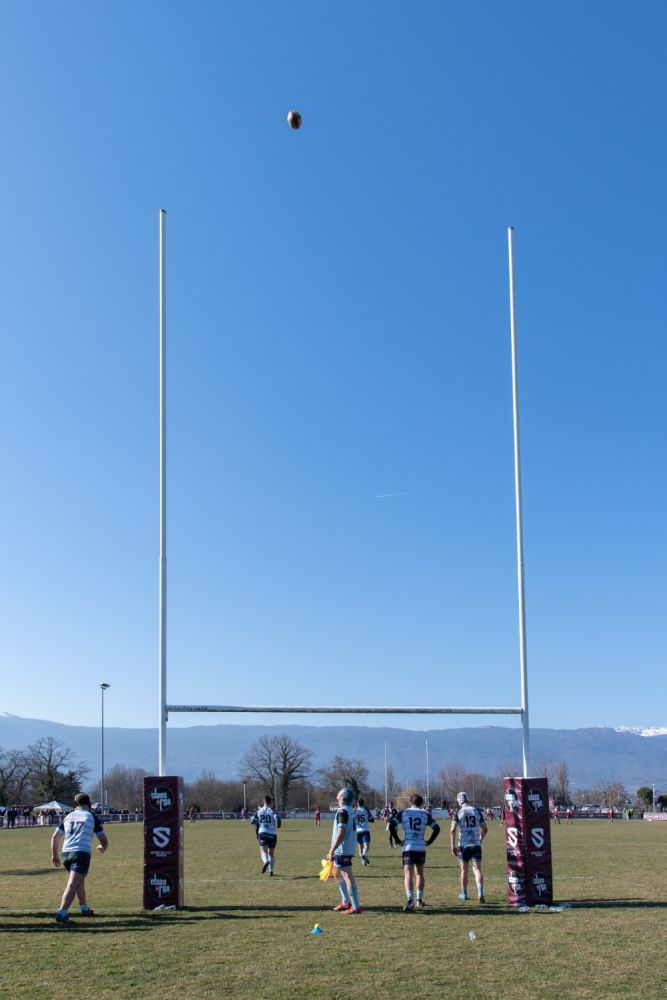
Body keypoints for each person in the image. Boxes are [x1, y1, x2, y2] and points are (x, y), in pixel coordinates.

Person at [51, 792, 108, 925]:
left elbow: (55, 837)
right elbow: (103, 839)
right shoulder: (91, 816)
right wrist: (102, 847)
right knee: (72, 884)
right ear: (89, 804)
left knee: (78, 881)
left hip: (66, 854)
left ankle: (84, 907)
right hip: (81, 853)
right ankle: (62, 913)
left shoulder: (68, 816)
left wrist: (55, 855)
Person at [389, 794, 440, 911]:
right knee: (420, 874)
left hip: (408, 847)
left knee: (408, 874)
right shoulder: (425, 814)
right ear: (421, 803)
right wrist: (429, 842)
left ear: (410, 802)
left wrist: (397, 840)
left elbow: (392, 825)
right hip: (421, 847)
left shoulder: (404, 813)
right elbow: (437, 828)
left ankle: (410, 901)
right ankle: (419, 900)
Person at [327, 787, 361, 914]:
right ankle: (346, 901)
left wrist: (332, 849)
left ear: (342, 797)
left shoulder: (342, 811)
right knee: (337, 874)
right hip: (347, 848)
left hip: (342, 849)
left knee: (347, 877)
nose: (337, 793)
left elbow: (341, 833)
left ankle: (356, 907)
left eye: (339, 792)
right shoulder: (350, 810)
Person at [450, 791, 487, 903]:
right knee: (477, 869)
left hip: (463, 845)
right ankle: (480, 892)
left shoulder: (459, 812)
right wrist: (480, 839)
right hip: (476, 844)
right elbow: (485, 829)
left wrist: (452, 846)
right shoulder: (476, 811)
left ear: (459, 801)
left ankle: (464, 893)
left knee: (464, 870)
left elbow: (452, 830)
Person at [251, 794, 281, 875]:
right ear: (270, 802)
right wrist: (278, 825)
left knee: (263, 851)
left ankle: (265, 861)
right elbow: (277, 819)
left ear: (264, 801)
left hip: (262, 832)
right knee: (271, 853)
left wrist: (259, 822)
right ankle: (271, 871)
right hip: (272, 833)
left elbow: (252, 820)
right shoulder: (273, 810)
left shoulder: (259, 811)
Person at [355, 797, 374, 865]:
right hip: (365, 830)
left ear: (357, 803)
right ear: (363, 803)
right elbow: (372, 820)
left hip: (357, 831)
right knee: (367, 846)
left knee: (360, 846)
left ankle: (362, 861)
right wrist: (366, 819)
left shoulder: (355, 810)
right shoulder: (366, 810)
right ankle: (364, 855)